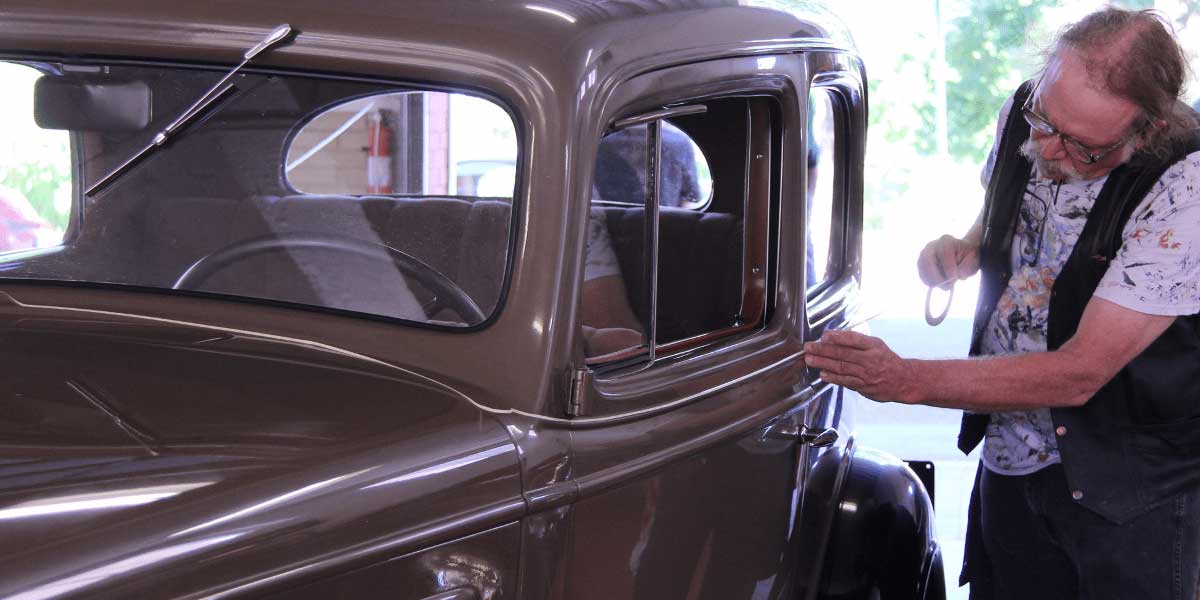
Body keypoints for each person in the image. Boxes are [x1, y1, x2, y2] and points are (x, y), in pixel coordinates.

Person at [804, 8, 1200, 600]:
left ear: (1147, 131)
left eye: (1083, 148)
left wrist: (906, 379)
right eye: (1046, 122)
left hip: (1130, 481)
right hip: (1012, 452)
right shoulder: (1029, 110)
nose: (1051, 149)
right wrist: (964, 248)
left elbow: (1080, 372)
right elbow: (1006, 205)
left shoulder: (1187, 182)